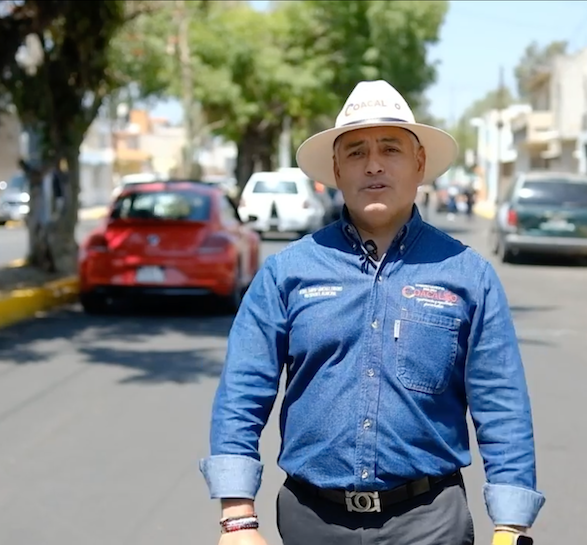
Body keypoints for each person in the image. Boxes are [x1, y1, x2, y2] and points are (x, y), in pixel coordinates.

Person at [199, 80, 544, 545]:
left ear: (419, 163)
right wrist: (237, 518)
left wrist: (511, 526)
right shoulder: (286, 272)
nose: (374, 164)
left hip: (429, 522)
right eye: (356, 152)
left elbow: (501, 405)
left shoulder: (468, 275)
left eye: (390, 149)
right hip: (310, 521)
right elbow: (243, 392)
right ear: (336, 170)